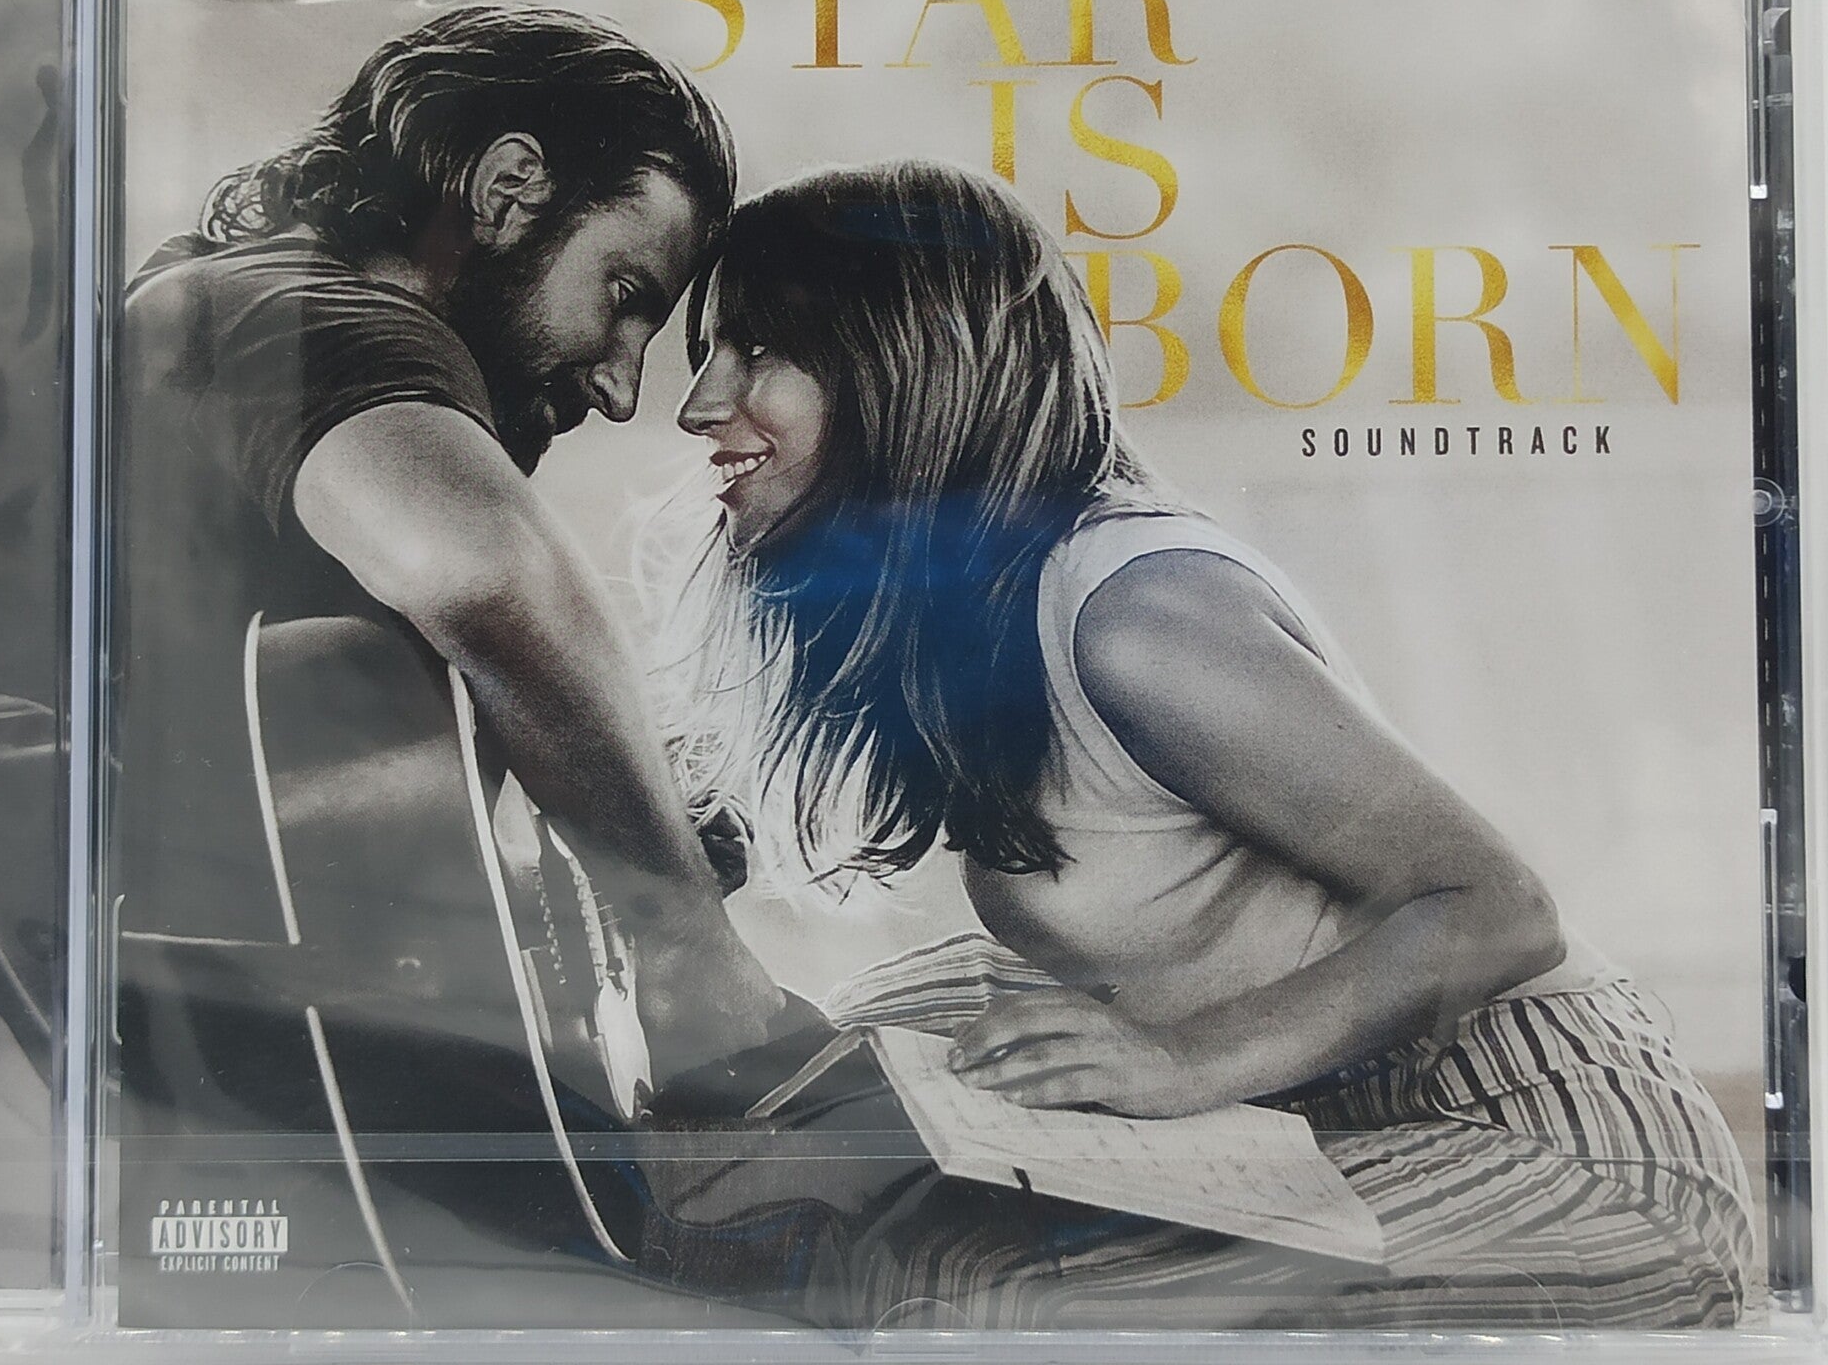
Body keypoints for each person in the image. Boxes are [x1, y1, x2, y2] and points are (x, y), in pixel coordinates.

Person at [655, 157, 1757, 1329]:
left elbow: (1497, 906)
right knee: (824, 1124)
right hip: (1315, 1120)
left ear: (906, 365)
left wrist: (1180, 1060)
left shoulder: (1135, 611)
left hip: (1561, 1149)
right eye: (708, 351)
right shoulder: (970, 610)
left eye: (758, 349)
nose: (699, 403)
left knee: (983, 1300)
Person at [113, 3, 782, 1094]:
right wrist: (685, 940)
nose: (621, 388)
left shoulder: (225, 300)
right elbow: (483, 575)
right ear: (508, 190)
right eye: (624, 298)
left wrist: (610, 796)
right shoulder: (328, 319)